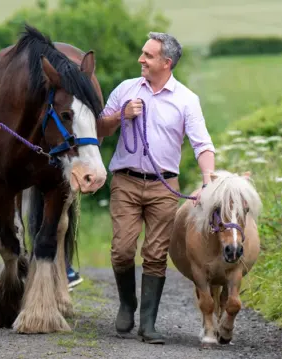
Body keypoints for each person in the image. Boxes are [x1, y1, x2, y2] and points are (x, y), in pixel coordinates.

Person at [97, 32, 215, 344]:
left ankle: (147, 324)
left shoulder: (187, 100)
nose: (141, 59)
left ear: (167, 62)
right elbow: (98, 128)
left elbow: (202, 145)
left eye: (148, 55)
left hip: (165, 185)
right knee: (122, 250)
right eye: (142, 53)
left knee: (155, 253)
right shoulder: (126, 89)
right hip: (125, 180)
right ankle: (127, 303)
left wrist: (208, 180)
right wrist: (122, 115)